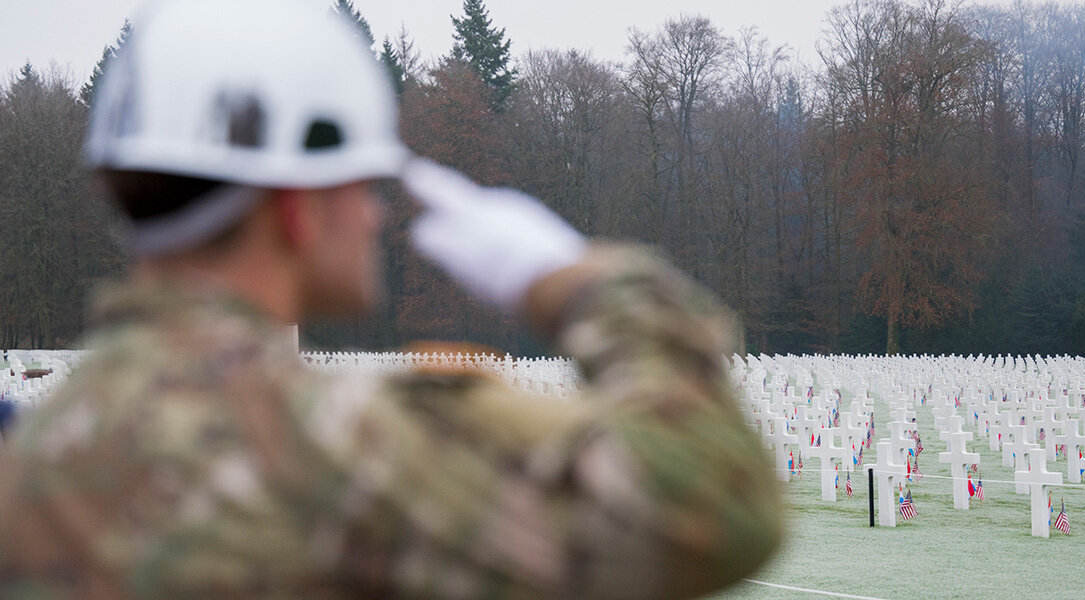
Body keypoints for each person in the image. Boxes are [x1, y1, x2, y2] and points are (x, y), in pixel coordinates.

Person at [0, 1, 782, 598]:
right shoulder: (334, 442)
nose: (377, 213)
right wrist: (583, 284)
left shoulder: (35, 454)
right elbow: (718, 508)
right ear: (297, 208)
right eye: (363, 183)